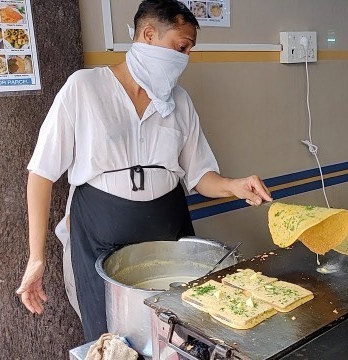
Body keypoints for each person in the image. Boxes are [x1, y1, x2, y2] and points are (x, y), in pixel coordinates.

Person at [16, 0, 272, 342]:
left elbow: (199, 176)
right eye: (180, 47)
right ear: (148, 35)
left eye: (189, 51)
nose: (184, 59)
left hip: (169, 235)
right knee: (112, 336)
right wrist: (36, 258)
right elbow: (42, 173)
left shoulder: (179, 101)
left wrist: (235, 186)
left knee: (176, 333)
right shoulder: (85, 88)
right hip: (99, 237)